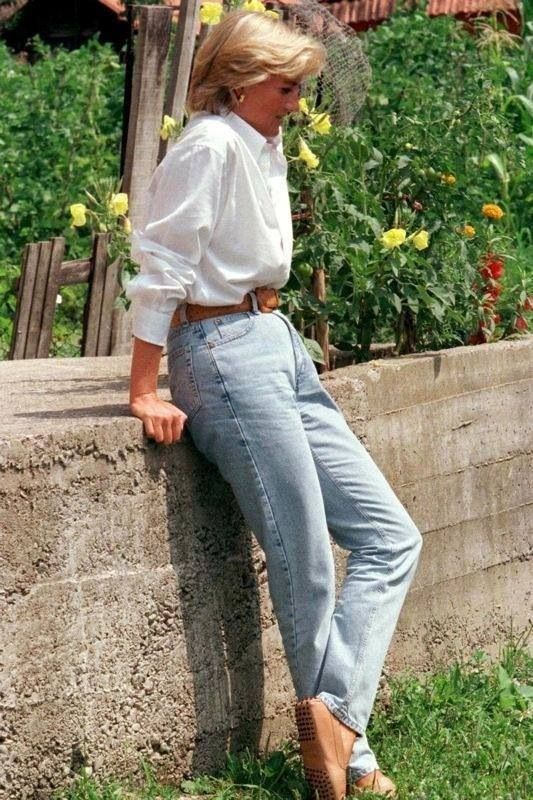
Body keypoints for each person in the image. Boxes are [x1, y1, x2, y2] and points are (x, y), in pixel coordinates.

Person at [127, 10, 422, 800]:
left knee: (392, 535)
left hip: (273, 340)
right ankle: (349, 764)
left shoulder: (261, 142)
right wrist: (144, 387)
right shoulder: (210, 145)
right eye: (286, 87)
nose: (299, 102)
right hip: (219, 351)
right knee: (305, 559)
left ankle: (333, 717)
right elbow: (161, 264)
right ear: (241, 80)